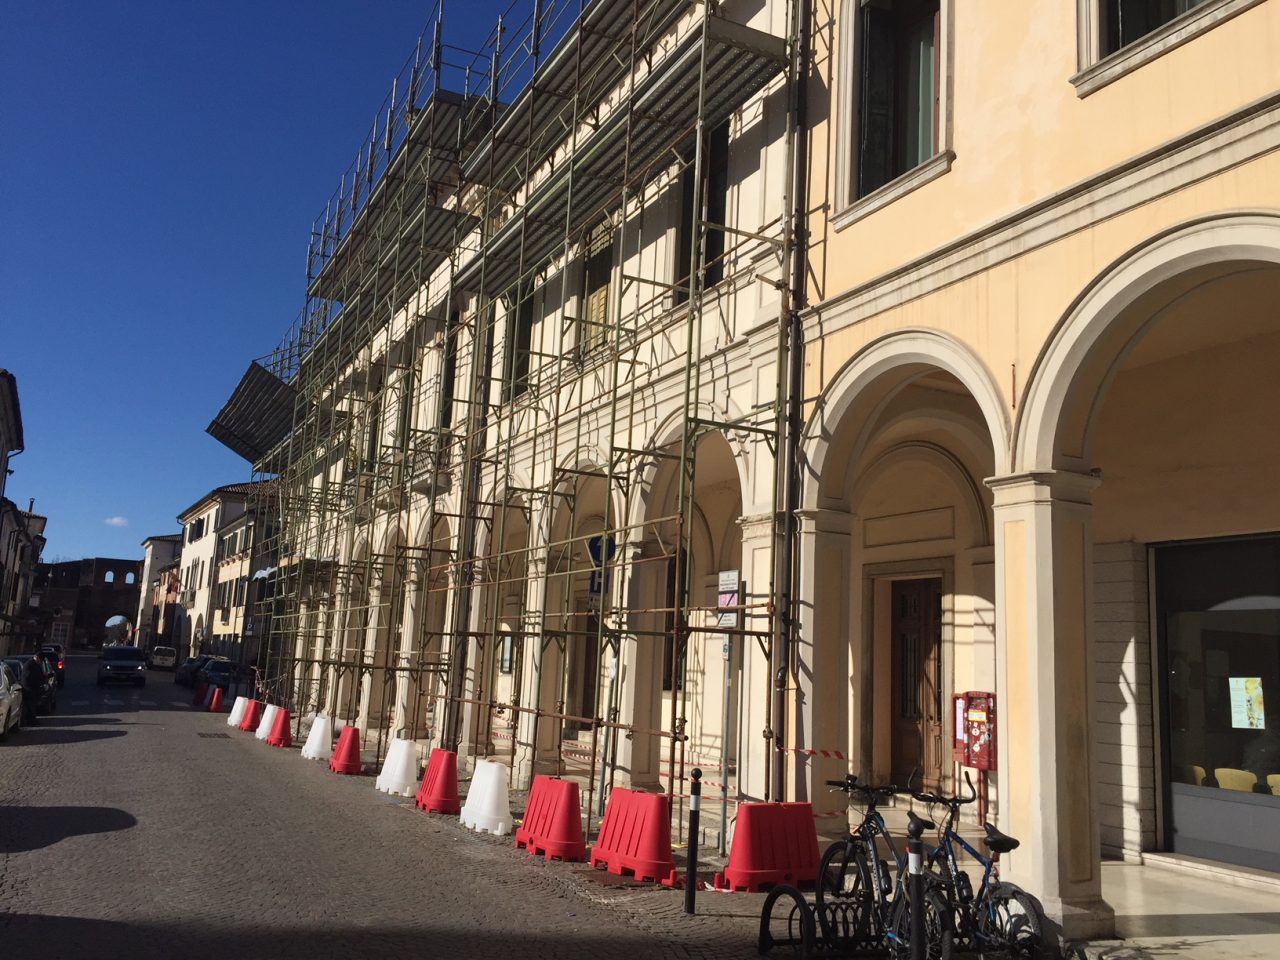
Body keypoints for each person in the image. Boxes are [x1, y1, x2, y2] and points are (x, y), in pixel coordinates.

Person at [21, 650, 48, 725]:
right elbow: (29, 677)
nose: (40, 662)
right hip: (29, 689)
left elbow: (38, 674)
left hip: (33, 689)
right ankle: (30, 721)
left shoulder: (35, 664)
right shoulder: (29, 665)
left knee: (33, 706)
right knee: (30, 706)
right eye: (40, 660)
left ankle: (32, 719)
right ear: (37, 658)